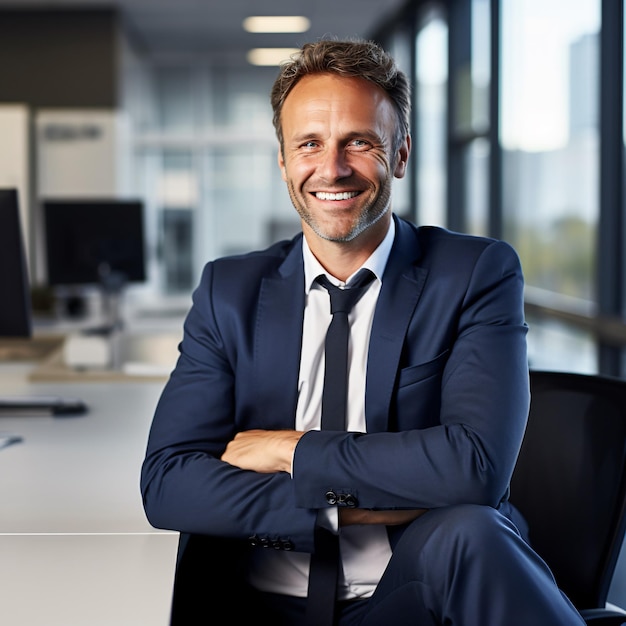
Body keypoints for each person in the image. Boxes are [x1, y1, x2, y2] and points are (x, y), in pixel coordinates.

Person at [140, 37, 585, 625]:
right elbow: (169, 481)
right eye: (309, 144)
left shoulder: (474, 273)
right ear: (282, 160)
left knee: (473, 530)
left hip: (411, 593)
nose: (333, 168)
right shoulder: (230, 291)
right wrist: (339, 507)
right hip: (260, 604)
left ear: (400, 154)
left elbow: (474, 467)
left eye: (359, 141)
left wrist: (290, 451)